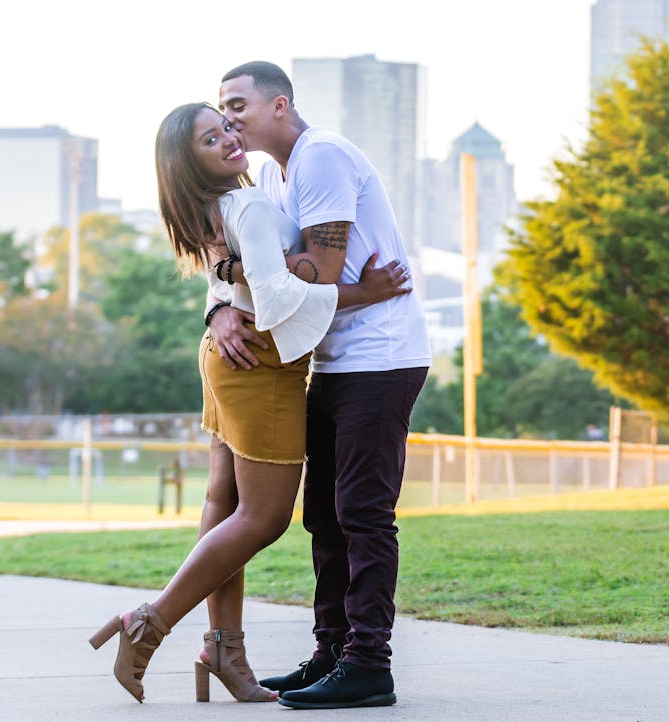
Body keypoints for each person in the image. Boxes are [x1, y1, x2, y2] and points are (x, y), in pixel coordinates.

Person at [88, 102, 410, 705]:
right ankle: (149, 623)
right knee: (262, 519)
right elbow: (276, 296)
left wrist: (221, 299)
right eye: (213, 138)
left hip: (225, 357)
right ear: (193, 164)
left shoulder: (231, 202)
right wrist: (364, 292)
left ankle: (224, 650)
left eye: (228, 126)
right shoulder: (251, 204)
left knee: (224, 502)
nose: (230, 138)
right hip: (258, 365)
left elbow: (234, 277)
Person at [206, 61, 431, 710]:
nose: (229, 119)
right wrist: (224, 300)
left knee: (363, 513)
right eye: (222, 109)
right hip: (333, 359)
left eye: (238, 104)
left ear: (280, 104)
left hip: (380, 357)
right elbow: (273, 279)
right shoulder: (274, 175)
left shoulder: (322, 157)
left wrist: (248, 271)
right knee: (324, 517)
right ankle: (331, 651)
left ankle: (369, 665)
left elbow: (318, 270)